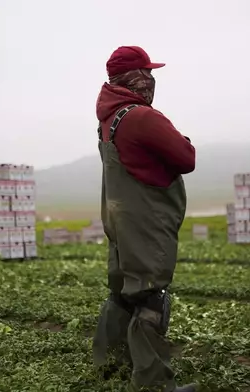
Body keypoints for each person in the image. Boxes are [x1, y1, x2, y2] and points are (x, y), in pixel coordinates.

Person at [93, 46, 197, 392]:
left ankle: (110, 368)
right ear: (134, 78)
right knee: (151, 297)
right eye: (147, 72)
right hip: (146, 222)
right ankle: (153, 384)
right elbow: (186, 157)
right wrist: (182, 140)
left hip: (120, 220)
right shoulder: (142, 117)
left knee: (123, 293)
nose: (151, 79)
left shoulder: (108, 118)